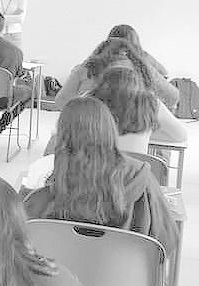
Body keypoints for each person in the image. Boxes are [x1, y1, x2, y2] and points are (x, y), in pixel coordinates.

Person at [24, 97, 179, 258]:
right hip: (125, 272)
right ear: (111, 131)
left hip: (59, 272)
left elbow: (19, 245)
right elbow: (166, 244)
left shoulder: (43, 191)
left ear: (62, 137)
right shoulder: (141, 178)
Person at [55, 38, 178, 108]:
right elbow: (173, 98)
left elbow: (61, 102)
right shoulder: (143, 67)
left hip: (92, 130)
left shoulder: (85, 69)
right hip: (136, 132)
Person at [90, 66, 187, 154]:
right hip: (136, 166)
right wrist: (145, 133)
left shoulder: (91, 102)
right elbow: (181, 136)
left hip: (95, 165)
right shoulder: (151, 103)